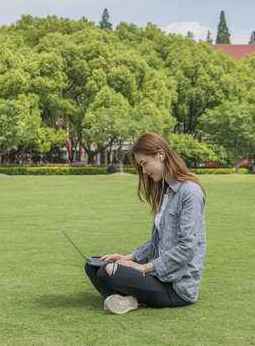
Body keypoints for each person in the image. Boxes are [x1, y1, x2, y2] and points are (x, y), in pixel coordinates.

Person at [84, 132, 207, 314]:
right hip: (157, 276)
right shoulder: (162, 193)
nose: (143, 171)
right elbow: (156, 242)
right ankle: (131, 300)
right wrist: (129, 257)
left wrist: (144, 267)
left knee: (107, 272)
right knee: (94, 265)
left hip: (177, 287)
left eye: (144, 164)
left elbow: (187, 248)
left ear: (161, 155)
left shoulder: (190, 192)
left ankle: (131, 299)